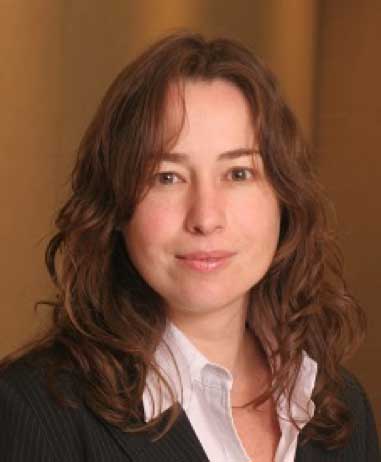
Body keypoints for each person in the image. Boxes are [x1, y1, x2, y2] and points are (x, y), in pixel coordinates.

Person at [0, 31, 379, 462]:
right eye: (167, 177)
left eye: (238, 173)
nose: (205, 217)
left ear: (283, 198)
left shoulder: (339, 407)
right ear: (116, 206)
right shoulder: (31, 410)